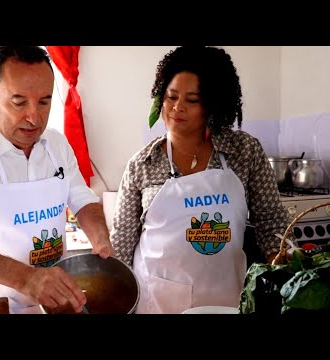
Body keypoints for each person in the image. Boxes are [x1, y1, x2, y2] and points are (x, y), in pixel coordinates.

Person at [110, 46, 290, 314]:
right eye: (170, 96)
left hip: (225, 298)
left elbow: (271, 219)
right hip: (157, 300)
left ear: (213, 105)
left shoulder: (244, 152)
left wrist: (279, 255)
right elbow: (122, 243)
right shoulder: (143, 164)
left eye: (192, 100)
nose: (176, 107)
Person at [0, 46, 114, 314]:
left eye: (44, 102)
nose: (34, 117)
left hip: (55, 306)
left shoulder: (57, 145)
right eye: (18, 102)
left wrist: (101, 242)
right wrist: (27, 278)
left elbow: (84, 201)